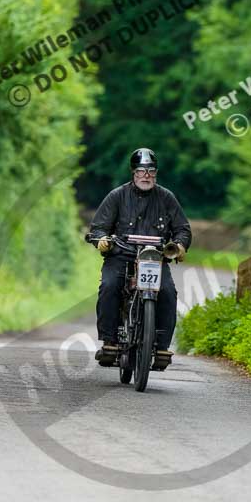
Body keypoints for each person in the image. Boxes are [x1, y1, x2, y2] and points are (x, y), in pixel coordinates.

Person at [88, 148, 192, 369]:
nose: (146, 175)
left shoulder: (166, 198)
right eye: (142, 170)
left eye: (151, 171)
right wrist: (101, 240)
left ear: (156, 173)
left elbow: (183, 228)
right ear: (133, 172)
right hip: (121, 255)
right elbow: (97, 228)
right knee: (109, 286)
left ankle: (162, 347)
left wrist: (181, 245)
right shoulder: (117, 196)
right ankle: (109, 342)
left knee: (168, 292)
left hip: (155, 258)